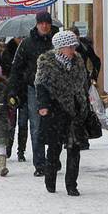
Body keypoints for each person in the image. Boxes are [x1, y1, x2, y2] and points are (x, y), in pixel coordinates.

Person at [34, 30, 90, 196]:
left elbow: (83, 84)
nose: (73, 50)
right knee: (54, 148)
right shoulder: (46, 63)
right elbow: (41, 85)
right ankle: (50, 179)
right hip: (55, 111)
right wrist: (43, 106)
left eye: (74, 46)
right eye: (69, 47)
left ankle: (71, 185)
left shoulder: (78, 62)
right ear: (60, 48)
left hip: (75, 110)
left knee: (74, 148)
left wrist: (84, 102)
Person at [8, 11, 59, 177]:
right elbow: (16, 68)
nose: (44, 26)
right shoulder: (27, 44)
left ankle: (53, 158)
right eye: (41, 23)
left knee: (56, 126)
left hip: (56, 89)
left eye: (47, 23)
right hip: (34, 89)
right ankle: (40, 163)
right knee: (36, 126)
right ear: (37, 24)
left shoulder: (57, 42)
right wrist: (14, 90)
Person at [2, 36, 28, 161]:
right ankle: (8, 148)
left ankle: (21, 151)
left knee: (23, 123)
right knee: (11, 122)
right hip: (11, 90)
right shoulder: (8, 50)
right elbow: (4, 71)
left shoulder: (28, 48)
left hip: (25, 91)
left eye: (22, 36)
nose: (20, 39)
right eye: (18, 37)